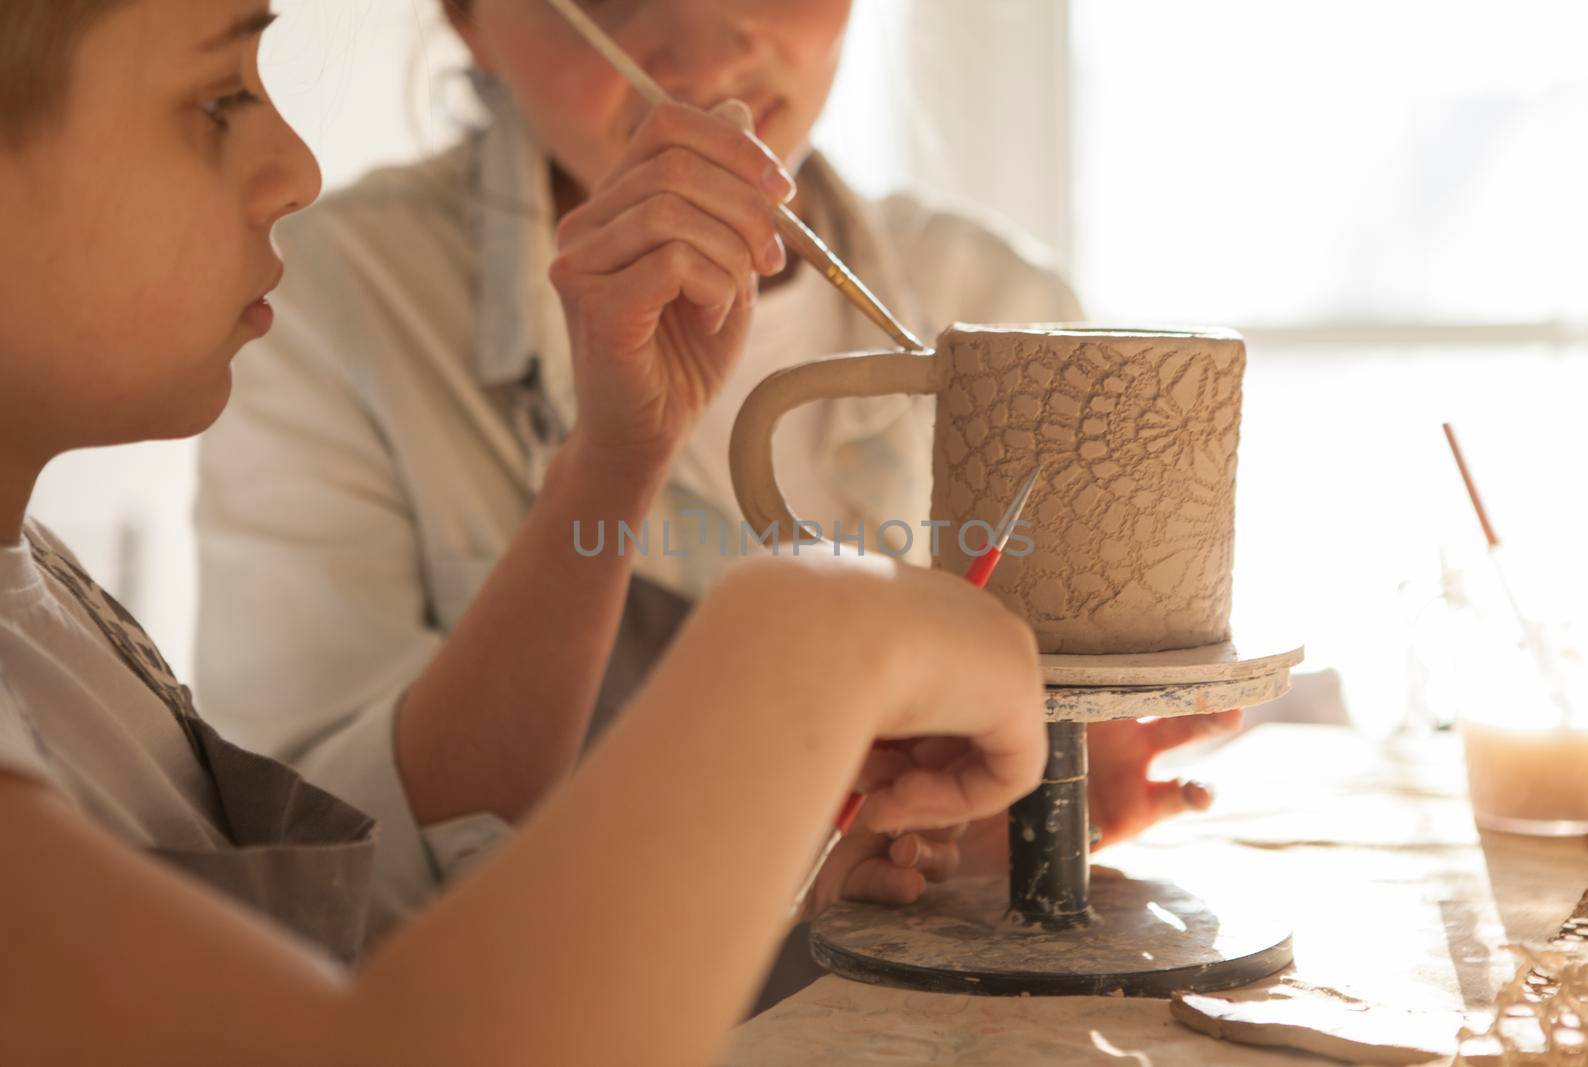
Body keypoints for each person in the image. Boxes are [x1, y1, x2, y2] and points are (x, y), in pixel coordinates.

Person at [0, 2, 1046, 1062]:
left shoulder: (45, 598)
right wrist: (818, 630)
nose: (299, 169)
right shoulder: (345, 298)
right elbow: (379, 1001)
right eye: (221, 96)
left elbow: (307, 929)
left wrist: (795, 875)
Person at [194, 0, 1238, 974]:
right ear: (469, 17)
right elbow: (324, 873)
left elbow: (1002, 825)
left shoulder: (999, 300)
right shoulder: (326, 300)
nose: (704, 57)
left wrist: (1030, 806)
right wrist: (610, 464)